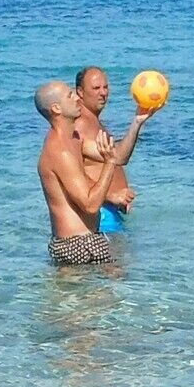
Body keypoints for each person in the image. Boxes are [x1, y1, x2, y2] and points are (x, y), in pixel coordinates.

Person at [37, 81, 143, 265]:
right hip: (74, 245)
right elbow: (91, 205)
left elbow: (118, 157)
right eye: (70, 95)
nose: (77, 98)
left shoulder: (74, 139)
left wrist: (137, 122)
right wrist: (109, 163)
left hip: (89, 239)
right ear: (56, 108)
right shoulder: (59, 151)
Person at [74, 67, 140, 231]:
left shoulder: (93, 121)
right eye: (96, 88)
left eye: (105, 87)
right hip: (101, 217)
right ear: (80, 92)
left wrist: (137, 121)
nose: (103, 93)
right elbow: (73, 174)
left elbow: (118, 158)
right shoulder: (80, 125)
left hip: (110, 213)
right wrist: (111, 197)